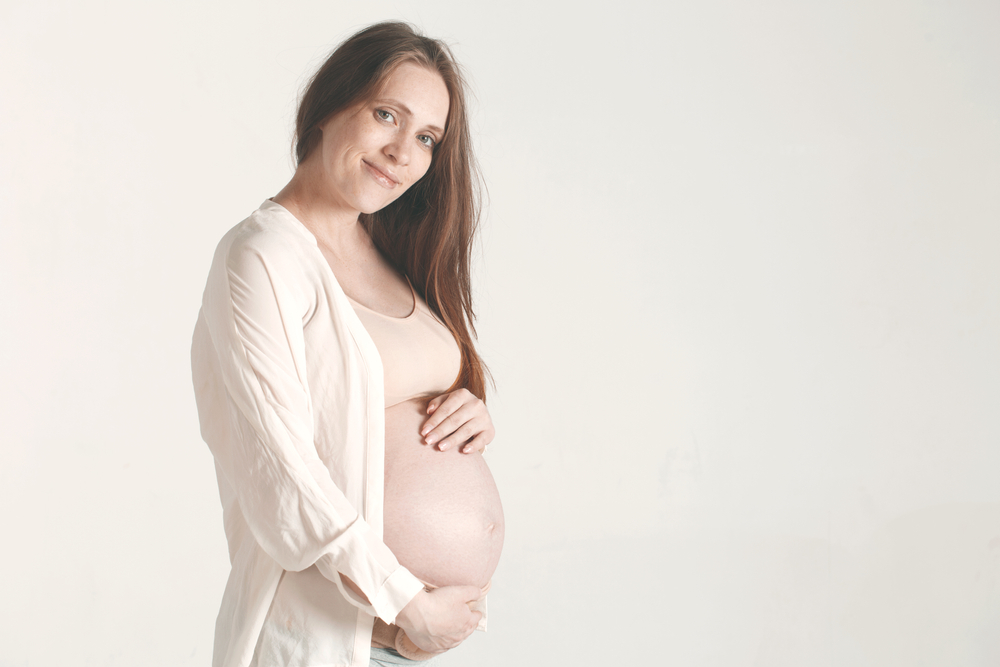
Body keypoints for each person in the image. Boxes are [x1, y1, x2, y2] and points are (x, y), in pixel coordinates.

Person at [191, 22, 504, 667]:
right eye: (386, 115)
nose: (402, 152)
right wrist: (406, 601)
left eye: (426, 139)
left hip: (403, 645)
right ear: (328, 106)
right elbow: (283, 471)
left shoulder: (392, 251)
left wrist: (469, 413)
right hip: (325, 640)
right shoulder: (262, 256)